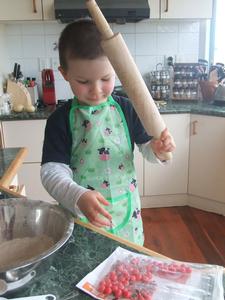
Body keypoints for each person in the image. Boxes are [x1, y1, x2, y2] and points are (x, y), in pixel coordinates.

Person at [40, 18, 175, 246]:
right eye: (83, 81)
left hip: (126, 214)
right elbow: (51, 172)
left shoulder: (127, 108)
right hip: (82, 215)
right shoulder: (60, 120)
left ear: (116, 69)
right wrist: (77, 196)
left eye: (106, 78)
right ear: (64, 73)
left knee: (126, 270)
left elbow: (147, 150)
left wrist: (158, 149)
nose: (96, 90)